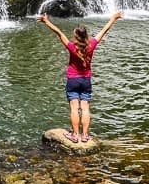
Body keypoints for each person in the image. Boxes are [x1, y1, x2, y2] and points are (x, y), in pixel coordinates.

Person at [37, 10, 123, 143]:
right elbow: (104, 30)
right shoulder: (91, 45)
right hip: (86, 80)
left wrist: (47, 21)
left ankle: (75, 135)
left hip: (73, 80)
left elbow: (59, 33)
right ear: (86, 36)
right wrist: (113, 18)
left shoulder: (72, 47)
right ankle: (85, 135)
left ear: (76, 36)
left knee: (74, 108)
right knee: (85, 108)